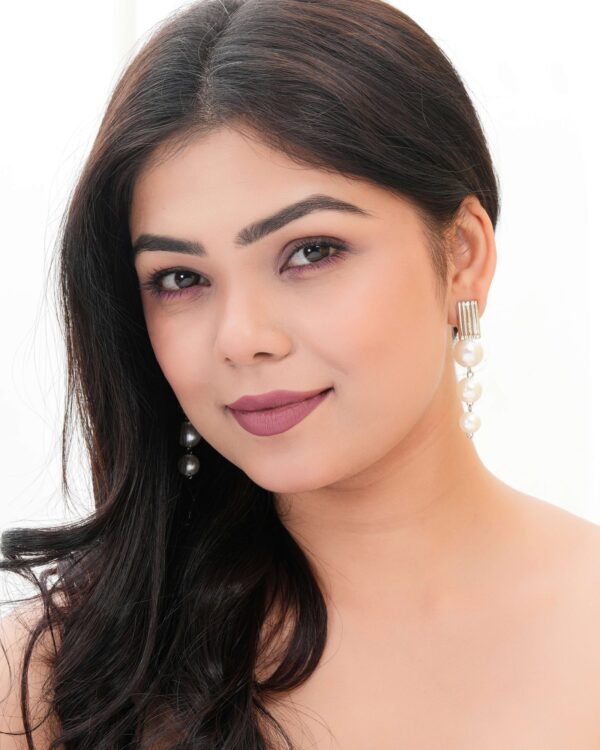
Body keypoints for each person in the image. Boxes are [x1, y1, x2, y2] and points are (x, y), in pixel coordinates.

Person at [2, 0, 600, 747]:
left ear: (463, 256)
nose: (241, 339)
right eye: (181, 278)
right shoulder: (56, 675)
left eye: (311, 252)